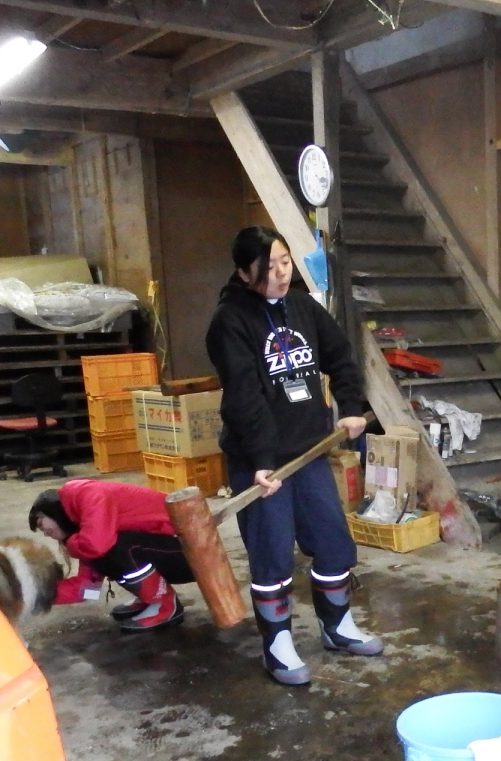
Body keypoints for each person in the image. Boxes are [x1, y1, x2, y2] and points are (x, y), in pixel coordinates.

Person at [205, 225, 382, 687]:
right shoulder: (229, 323)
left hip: (308, 453)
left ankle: (337, 626)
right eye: (269, 268)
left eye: (285, 262)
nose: (281, 273)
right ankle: (278, 644)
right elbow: (244, 397)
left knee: (332, 541)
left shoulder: (302, 307)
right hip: (261, 464)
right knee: (271, 553)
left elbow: (340, 355)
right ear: (244, 273)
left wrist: (350, 406)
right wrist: (262, 459)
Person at [28, 479, 192, 632]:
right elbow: (88, 589)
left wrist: (71, 544)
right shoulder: (83, 531)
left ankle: (164, 605)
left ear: (50, 509)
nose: (46, 533)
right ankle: (149, 597)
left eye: (41, 523)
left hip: (191, 551)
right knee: (103, 555)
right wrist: (35, 594)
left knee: (116, 548)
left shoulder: (87, 494)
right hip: (172, 552)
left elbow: (96, 545)